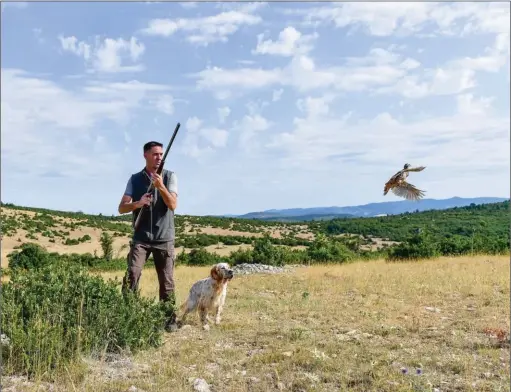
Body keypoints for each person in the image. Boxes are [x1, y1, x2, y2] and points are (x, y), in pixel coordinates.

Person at [118, 140, 179, 332]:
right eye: (155, 154)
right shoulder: (135, 179)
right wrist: (137, 203)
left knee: (167, 282)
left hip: (164, 238)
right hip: (141, 238)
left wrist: (161, 186)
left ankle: (169, 321)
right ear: (145, 155)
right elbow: (121, 208)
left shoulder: (170, 177)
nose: (159, 157)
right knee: (132, 275)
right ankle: (128, 316)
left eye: (161, 154)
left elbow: (173, 205)